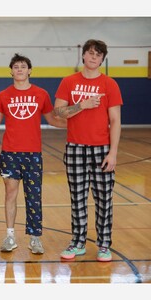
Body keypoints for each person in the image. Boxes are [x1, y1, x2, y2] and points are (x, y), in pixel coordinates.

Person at [0, 53, 66, 255]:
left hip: (33, 154)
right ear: (11, 71)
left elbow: (53, 120)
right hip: (10, 153)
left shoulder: (41, 94)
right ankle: (10, 236)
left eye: (23, 66)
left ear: (30, 70)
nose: (20, 69)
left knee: (34, 196)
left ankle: (35, 238)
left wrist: (79, 126)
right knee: (10, 194)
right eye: (16, 67)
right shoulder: (4, 95)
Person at [53, 39, 123, 262]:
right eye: (90, 53)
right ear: (83, 56)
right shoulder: (69, 81)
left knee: (104, 199)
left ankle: (103, 245)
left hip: (101, 149)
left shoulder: (109, 84)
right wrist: (81, 105)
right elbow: (58, 112)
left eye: (98, 54)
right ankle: (78, 242)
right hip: (75, 148)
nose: (94, 57)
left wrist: (112, 153)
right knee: (78, 198)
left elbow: (115, 121)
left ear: (103, 59)